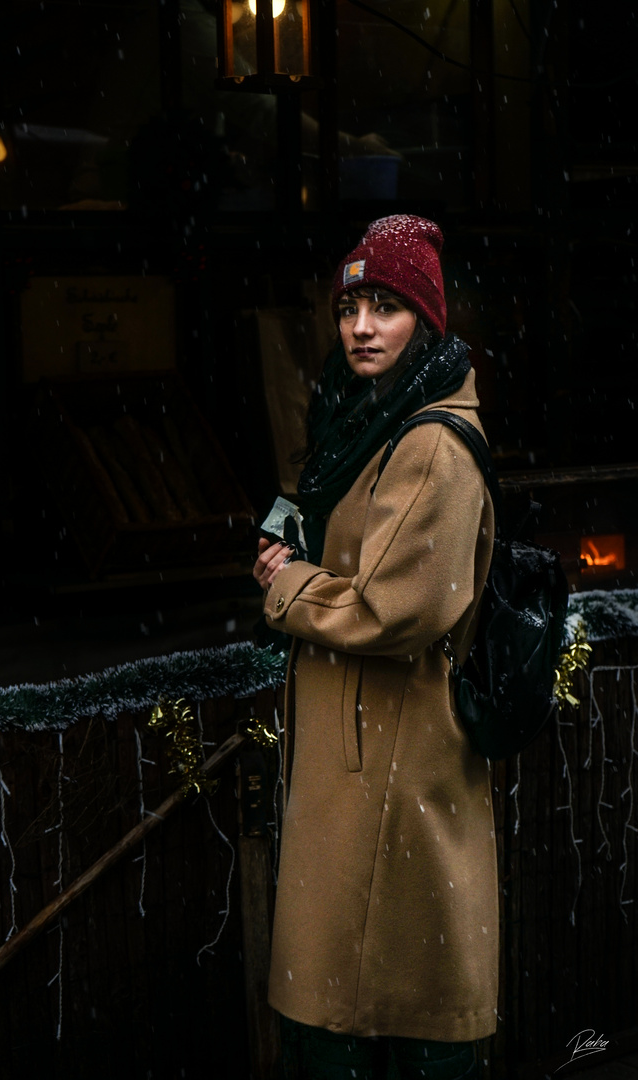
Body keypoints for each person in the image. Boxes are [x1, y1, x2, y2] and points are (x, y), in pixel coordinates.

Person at [253, 215, 498, 1080]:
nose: (360, 327)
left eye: (385, 307)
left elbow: (396, 612)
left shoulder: (430, 441)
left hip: (397, 758)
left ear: (425, 321)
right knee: (350, 992)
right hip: (360, 755)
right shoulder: (364, 420)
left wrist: (288, 586)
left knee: (383, 1000)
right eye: (351, 305)